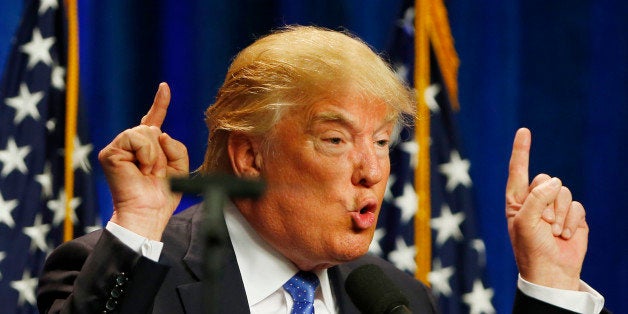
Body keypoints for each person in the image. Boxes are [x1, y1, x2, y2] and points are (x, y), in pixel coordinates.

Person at [37, 26, 606, 313]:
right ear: (249, 155)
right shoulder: (120, 274)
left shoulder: (394, 300)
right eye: (335, 140)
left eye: (382, 141)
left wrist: (551, 288)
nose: (371, 171)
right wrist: (137, 222)